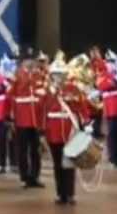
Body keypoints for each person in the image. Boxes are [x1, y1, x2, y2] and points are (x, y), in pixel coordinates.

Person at [38, 60, 92, 205]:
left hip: (69, 130)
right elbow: (42, 112)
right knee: (57, 164)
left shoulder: (73, 89)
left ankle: (70, 194)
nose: (58, 77)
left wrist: (86, 122)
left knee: (69, 163)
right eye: (56, 75)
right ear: (52, 76)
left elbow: (81, 107)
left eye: (61, 74)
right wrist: (42, 132)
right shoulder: (47, 91)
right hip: (53, 131)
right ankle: (60, 194)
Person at [10, 48, 45, 188]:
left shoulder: (39, 76)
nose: (31, 63)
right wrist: (11, 116)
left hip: (35, 118)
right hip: (22, 117)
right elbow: (10, 96)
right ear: (23, 62)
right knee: (23, 149)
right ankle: (24, 176)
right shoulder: (17, 76)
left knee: (36, 149)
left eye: (33, 60)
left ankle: (35, 176)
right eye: (28, 60)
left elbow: (43, 94)